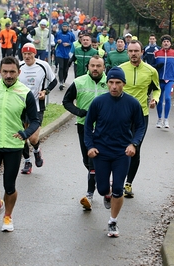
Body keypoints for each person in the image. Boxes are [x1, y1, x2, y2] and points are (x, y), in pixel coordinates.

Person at [0, 56, 40, 232]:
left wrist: (25, 133)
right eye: (5, 71)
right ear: (0, 72)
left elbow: (35, 120)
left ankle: (8, 217)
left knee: (9, 185)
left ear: (19, 72)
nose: (9, 75)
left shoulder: (25, 93)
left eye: (12, 72)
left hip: (13, 145)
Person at [84, 67, 145, 237]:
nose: (114, 86)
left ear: (123, 84)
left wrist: (134, 144)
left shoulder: (132, 103)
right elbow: (88, 126)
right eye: (111, 82)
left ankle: (113, 222)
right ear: (107, 83)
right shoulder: (98, 102)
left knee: (119, 188)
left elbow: (140, 126)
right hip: (101, 152)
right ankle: (107, 194)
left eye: (118, 83)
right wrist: (90, 146)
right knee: (103, 188)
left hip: (121, 152)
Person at [63, 55, 108, 210]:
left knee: (94, 160)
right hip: (84, 126)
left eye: (98, 66)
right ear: (88, 67)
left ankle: (89, 193)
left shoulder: (110, 83)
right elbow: (66, 101)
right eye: (92, 66)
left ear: (104, 67)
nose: (95, 69)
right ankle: (102, 179)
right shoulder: (79, 82)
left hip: (105, 128)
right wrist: (79, 111)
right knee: (87, 160)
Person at [119, 40, 161, 198]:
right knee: (119, 148)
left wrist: (155, 100)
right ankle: (117, 180)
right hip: (122, 115)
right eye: (130, 51)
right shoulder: (121, 69)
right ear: (127, 52)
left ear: (142, 52)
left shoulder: (151, 71)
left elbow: (157, 89)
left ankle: (128, 184)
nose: (133, 54)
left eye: (136, 51)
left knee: (134, 149)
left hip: (141, 116)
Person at [19, 43, 57, 174]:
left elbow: (54, 81)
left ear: (34, 54)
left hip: (37, 106)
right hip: (20, 107)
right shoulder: (19, 66)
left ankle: (36, 150)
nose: (27, 56)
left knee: (33, 138)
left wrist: (45, 92)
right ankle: (27, 161)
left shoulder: (43, 65)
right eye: (25, 54)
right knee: (21, 137)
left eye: (30, 54)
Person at [154, 34, 174, 128]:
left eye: (167, 42)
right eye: (164, 42)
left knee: (167, 98)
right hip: (159, 79)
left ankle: (166, 119)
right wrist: (157, 67)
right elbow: (151, 65)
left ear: (170, 43)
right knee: (158, 100)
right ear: (162, 43)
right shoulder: (157, 53)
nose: (166, 43)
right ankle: (159, 119)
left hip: (170, 80)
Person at [55, 22, 75, 90]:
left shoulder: (71, 34)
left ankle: (63, 81)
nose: (64, 28)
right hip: (59, 53)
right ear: (62, 27)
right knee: (61, 67)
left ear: (68, 27)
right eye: (63, 26)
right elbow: (54, 40)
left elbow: (74, 43)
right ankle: (61, 82)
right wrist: (57, 41)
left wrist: (69, 44)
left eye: (66, 26)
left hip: (67, 54)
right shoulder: (58, 33)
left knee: (65, 69)